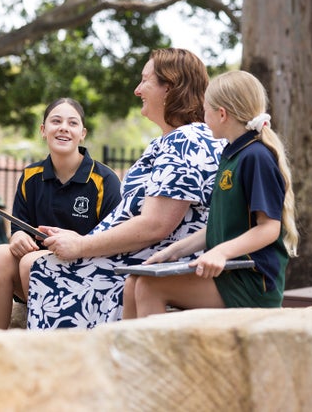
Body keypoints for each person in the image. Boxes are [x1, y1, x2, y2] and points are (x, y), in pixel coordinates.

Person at [27, 48, 225, 329]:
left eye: (145, 81)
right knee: (21, 261)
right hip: (136, 256)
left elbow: (157, 225)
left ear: (169, 88)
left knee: (34, 268)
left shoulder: (186, 141)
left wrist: (82, 245)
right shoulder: (173, 139)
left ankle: (66, 367)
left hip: (154, 262)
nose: (137, 90)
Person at [122, 71, 298, 318]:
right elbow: (218, 227)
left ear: (222, 114)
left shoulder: (255, 156)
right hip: (229, 273)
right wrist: (173, 252)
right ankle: (126, 357)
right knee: (133, 283)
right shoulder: (231, 155)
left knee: (149, 287)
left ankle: (159, 357)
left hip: (252, 281)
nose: (203, 119)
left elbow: (269, 228)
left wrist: (221, 252)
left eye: (205, 111)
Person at [0, 98, 122, 329]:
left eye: (72, 123)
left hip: (88, 270)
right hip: (34, 267)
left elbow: (116, 240)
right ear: (43, 130)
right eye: (56, 121)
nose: (64, 127)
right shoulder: (30, 176)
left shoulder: (105, 180)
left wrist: (79, 242)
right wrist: (18, 238)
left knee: (32, 262)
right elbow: (18, 229)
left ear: (82, 133)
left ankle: (45, 342)